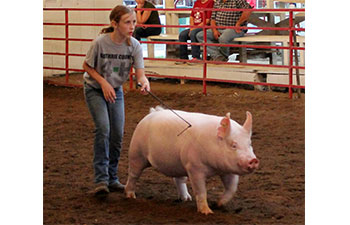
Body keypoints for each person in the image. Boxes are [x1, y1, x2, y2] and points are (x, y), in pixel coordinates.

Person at [82, 5, 150, 196]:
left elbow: (140, 75)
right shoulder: (100, 43)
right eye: (127, 22)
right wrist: (103, 83)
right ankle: (101, 179)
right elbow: (87, 66)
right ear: (115, 24)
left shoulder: (134, 46)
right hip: (95, 89)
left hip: (115, 90)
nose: (132, 26)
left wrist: (144, 83)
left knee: (117, 134)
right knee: (104, 129)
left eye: (134, 22)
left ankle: (112, 178)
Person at [177, 0, 214, 64]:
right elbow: (191, 16)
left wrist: (194, 29)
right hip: (194, 27)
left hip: (204, 27)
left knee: (193, 34)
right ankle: (183, 58)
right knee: (182, 35)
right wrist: (192, 27)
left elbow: (207, 20)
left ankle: (196, 57)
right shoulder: (197, 2)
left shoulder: (210, 2)